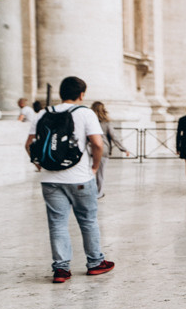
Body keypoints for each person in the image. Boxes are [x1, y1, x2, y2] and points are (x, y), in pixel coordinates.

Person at [24, 75, 115, 283]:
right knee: (88, 220)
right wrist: (94, 167)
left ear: (60, 93)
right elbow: (98, 144)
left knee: (57, 223)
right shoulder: (85, 113)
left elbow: (29, 144)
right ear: (81, 94)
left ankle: (61, 269)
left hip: (50, 179)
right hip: (80, 177)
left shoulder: (43, 113)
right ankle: (95, 262)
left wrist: (39, 164)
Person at [90, 101, 132, 198]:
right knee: (100, 173)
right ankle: (98, 193)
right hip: (103, 150)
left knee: (89, 172)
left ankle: (89, 192)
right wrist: (123, 149)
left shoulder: (90, 122)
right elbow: (114, 137)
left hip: (90, 150)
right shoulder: (106, 123)